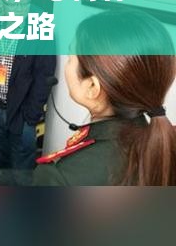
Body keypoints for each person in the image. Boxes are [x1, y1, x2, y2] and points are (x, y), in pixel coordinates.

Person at [34, 10, 176, 186]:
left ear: (92, 87)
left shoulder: (61, 177)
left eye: (70, 58)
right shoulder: (164, 147)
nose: (67, 65)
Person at [0, 0, 56, 172]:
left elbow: (44, 77)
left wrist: (31, 115)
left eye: (24, 4)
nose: (19, 9)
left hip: (21, 114)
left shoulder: (40, 34)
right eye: (13, 4)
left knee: (21, 169)